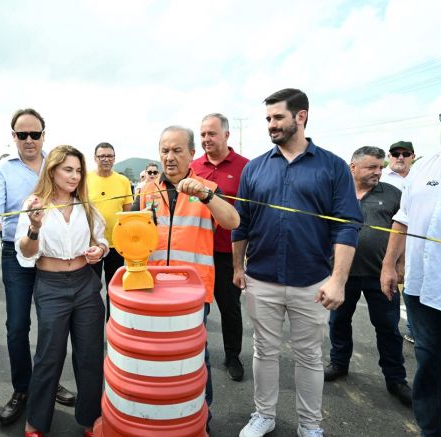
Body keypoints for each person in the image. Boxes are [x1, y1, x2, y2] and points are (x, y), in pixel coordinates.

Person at [232, 88, 362, 437]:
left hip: (312, 282)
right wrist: (237, 267)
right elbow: (241, 223)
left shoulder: (332, 166)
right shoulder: (255, 168)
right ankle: (264, 415)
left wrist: (338, 280)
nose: (271, 125)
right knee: (264, 351)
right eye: (268, 119)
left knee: (308, 356)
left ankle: (310, 425)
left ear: (300, 116)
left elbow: (348, 224)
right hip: (262, 278)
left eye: (277, 117)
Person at [134, 125, 240, 430]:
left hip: (192, 293)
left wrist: (207, 196)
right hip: (152, 290)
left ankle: (201, 417)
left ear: (192, 154)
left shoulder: (205, 187)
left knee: (194, 357)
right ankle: (160, 416)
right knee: (156, 358)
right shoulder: (146, 191)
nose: (169, 157)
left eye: (177, 150)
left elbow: (233, 220)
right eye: (164, 150)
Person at [0, 108, 76, 426]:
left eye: (34, 134)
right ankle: (22, 389)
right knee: (18, 326)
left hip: (52, 254)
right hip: (16, 254)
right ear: (13, 137)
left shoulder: (56, 164)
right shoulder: (3, 170)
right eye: (22, 134)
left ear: (43, 135)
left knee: (54, 326)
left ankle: (50, 384)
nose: (29, 140)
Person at [380, 91, 441, 437]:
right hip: (422, 290)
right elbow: (403, 220)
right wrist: (388, 265)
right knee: (428, 366)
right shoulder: (426, 166)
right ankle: (434, 431)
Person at [15, 145, 107, 437]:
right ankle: (36, 423)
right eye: (68, 169)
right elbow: (26, 253)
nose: (75, 175)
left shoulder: (86, 206)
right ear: (52, 170)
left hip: (85, 283)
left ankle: (92, 419)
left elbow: (103, 241)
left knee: (91, 355)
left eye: (79, 170)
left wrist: (99, 251)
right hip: (51, 285)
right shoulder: (34, 204)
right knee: (49, 355)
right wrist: (34, 227)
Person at [324, 146, 411, 406]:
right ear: (353, 167)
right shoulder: (336, 193)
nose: (378, 172)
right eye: (371, 167)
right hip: (343, 274)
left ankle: (396, 379)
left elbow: (405, 230)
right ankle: (339, 364)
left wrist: (400, 265)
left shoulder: (394, 194)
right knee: (338, 322)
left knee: (387, 328)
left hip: (380, 275)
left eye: (380, 167)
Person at [191, 113, 249, 381]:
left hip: (227, 253)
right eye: (203, 134)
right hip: (195, 253)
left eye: (211, 134)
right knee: (194, 308)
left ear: (227, 135)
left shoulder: (245, 167)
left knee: (230, 308)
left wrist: (242, 260)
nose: (206, 139)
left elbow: (249, 215)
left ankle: (232, 355)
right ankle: (192, 355)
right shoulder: (193, 167)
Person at [87, 142, 132, 313]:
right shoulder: (85, 179)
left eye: (109, 156)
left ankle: (113, 324)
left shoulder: (123, 181)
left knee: (115, 290)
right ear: (95, 158)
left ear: (114, 158)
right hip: (93, 244)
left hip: (116, 245)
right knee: (92, 290)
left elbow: (128, 214)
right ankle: (93, 325)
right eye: (102, 156)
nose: (106, 159)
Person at [380, 140, 416, 344]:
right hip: (387, 247)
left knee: (414, 287)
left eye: (405, 153)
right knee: (388, 292)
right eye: (395, 153)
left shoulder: (421, 177)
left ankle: (413, 330)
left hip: (416, 245)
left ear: (412, 156)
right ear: (389, 156)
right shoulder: (380, 178)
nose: (400, 157)